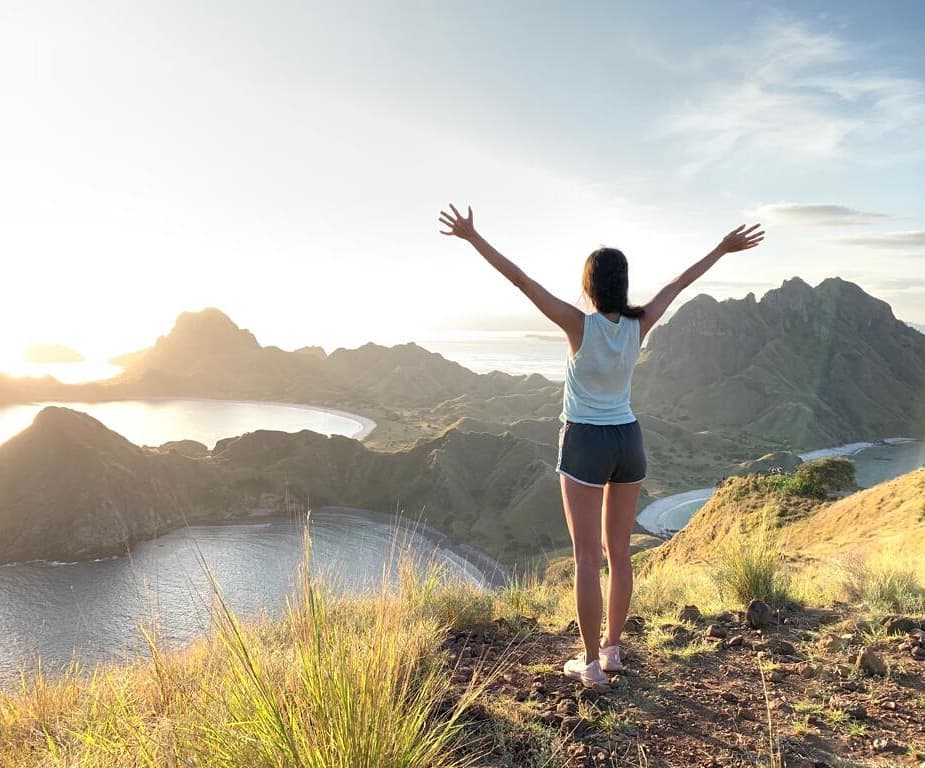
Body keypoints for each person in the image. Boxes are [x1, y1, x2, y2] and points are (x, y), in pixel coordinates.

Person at [438, 203, 764, 689]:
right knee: (620, 553)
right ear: (623, 284)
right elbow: (679, 284)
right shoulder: (639, 324)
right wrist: (721, 247)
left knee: (587, 558)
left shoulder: (578, 325)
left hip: (586, 441)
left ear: (589, 285)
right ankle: (612, 650)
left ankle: (589, 664)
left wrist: (473, 237)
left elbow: (522, 282)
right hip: (628, 440)